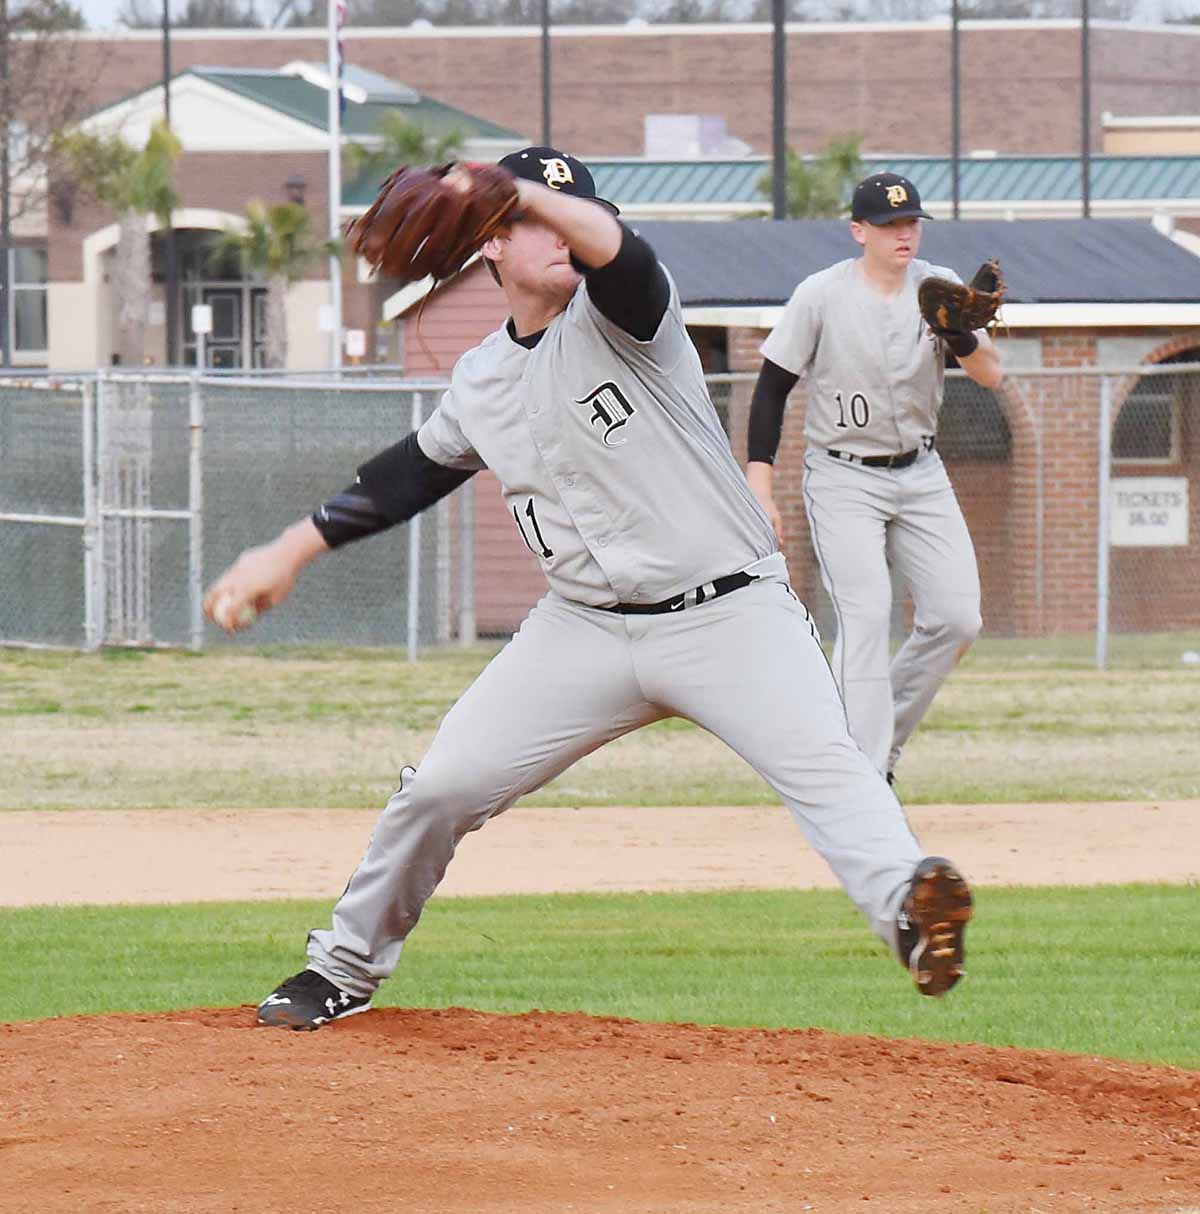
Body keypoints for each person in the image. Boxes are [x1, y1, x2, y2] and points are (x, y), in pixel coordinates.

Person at [204, 148, 973, 1031]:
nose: (564, 229)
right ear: (490, 244)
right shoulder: (482, 379)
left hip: (730, 614)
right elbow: (405, 476)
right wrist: (288, 551)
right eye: (530, 220)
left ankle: (912, 913)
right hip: (582, 632)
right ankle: (340, 969)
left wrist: (524, 195)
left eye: (574, 212)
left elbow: (622, 255)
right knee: (440, 788)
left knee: (833, 771)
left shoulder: (631, 318)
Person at [745, 172, 1003, 784]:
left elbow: (991, 375)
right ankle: (859, 778)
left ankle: (876, 747)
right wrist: (760, 482)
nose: (903, 233)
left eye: (911, 222)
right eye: (889, 224)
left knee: (957, 619)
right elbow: (772, 387)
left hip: (921, 470)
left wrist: (958, 332)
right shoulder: (821, 294)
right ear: (859, 231)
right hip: (843, 476)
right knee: (864, 617)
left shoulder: (938, 287)